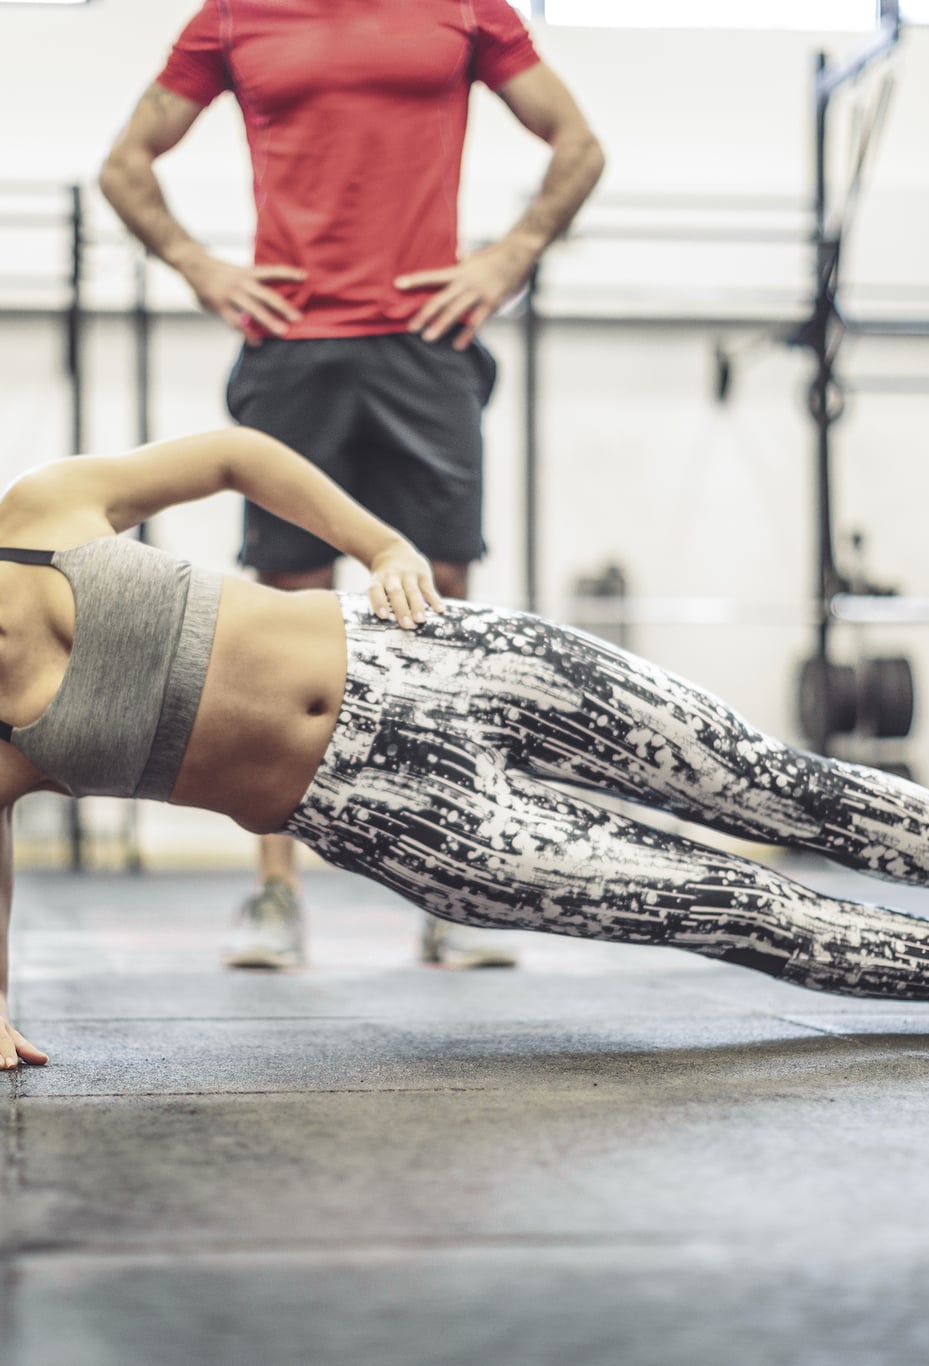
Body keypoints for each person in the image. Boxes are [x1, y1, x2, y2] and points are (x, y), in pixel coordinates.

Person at [0, 430, 929, 1072]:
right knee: (741, 906)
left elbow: (233, 459)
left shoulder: (49, 505)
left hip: (443, 657)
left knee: (785, 785)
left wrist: (383, 540)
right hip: (410, 822)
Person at [98, 0, 605, 971]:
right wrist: (201, 268)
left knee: (441, 621)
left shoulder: (467, 8)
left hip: (424, 348)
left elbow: (576, 144)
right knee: (279, 628)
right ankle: (275, 893)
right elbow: (125, 164)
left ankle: (455, 887)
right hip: (293, 352)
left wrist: (508, 256)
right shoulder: (234, 17)